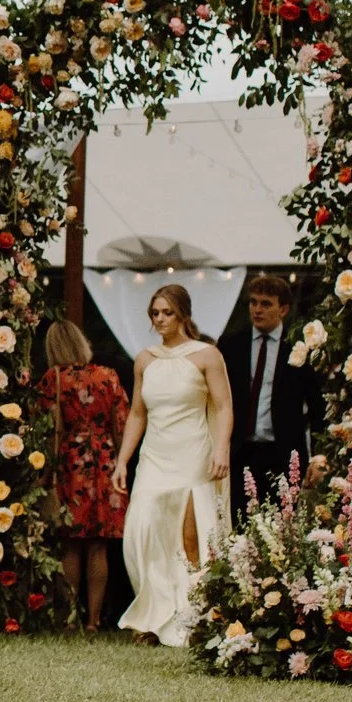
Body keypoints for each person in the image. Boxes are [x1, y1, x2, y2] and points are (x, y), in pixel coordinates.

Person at [112, 283, 233, 648]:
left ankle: (194, 617)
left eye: (167, 312)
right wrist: (122, 461)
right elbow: (137, 414)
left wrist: (221, 449)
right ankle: (151, 616)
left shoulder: (206, 355)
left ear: (183, 314)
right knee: (141, 531)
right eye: (155, 313)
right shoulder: (144, 359)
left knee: (190, 538)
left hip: (193, 452)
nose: (160, 319)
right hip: (154, 456)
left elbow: (225, 406)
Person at [38, 320, 128, 635]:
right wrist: (121, 464)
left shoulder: (55, 379)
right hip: (105, 463)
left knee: (71, 545)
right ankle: (94, 620)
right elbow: (122, 424)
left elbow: (46, 427)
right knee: (99, 545)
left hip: (70, 464)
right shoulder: (109, 377)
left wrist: (44, 474)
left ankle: (70, 617)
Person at [220, 274, 312, 512]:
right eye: (253, 302)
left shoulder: (299, 347)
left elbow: (315, 404)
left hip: (282, 452)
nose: (257, 310)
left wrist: (319, 456)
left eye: (265, 304)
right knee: (238, 524)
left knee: (282, 528)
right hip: (239, 451)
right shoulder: (231, 345)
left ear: (282, 309)